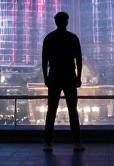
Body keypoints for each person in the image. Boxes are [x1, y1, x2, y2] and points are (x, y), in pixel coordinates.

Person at [41, 11, 84, 152]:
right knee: (73, 110)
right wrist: (78, 77)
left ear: (55, 22)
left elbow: (44, 61)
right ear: (67, 22)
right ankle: (77, 143)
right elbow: (78, 60)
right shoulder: (73, 38)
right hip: (69, 77)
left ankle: (48, 143)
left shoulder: (49, 38)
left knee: (51, 111)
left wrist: (45, 77)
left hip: (53, 77)